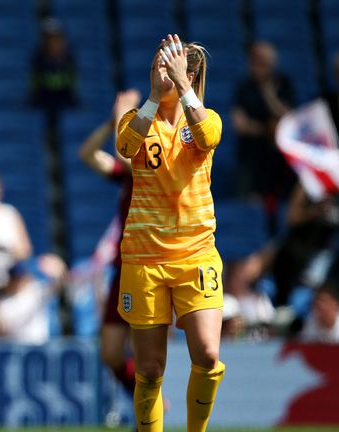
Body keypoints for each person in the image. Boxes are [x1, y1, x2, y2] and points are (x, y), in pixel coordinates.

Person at [115, 34, 225, 431]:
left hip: (196, 253)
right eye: (155, 67)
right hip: (144, 258)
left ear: (189, 76)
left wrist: (183, 87)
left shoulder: (206, 118)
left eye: (169, 67)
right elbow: (126, 146)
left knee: (209, 354)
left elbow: (208, 137)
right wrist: (152, 96)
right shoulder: (136, 119)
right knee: (148, 369)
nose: (158, 74)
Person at [78, 89, 141, 405]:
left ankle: (151, 416)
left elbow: (123, 153)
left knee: (147, 353)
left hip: (148, 267)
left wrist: (123, 113)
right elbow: (87, 154)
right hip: (122, 268)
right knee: (112, 352)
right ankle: (147, 405)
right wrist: (110, 122)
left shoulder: (149, 171)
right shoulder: (127, 176)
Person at [231, 41, 296, 236]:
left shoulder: (282, 83)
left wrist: (270, 99)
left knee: (280, 207)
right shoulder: (244, 87)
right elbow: (240, 125)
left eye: (268, 62)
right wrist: (266, 130)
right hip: (251, 156)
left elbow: (289, 118)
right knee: (249, 207)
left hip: (278, 159)